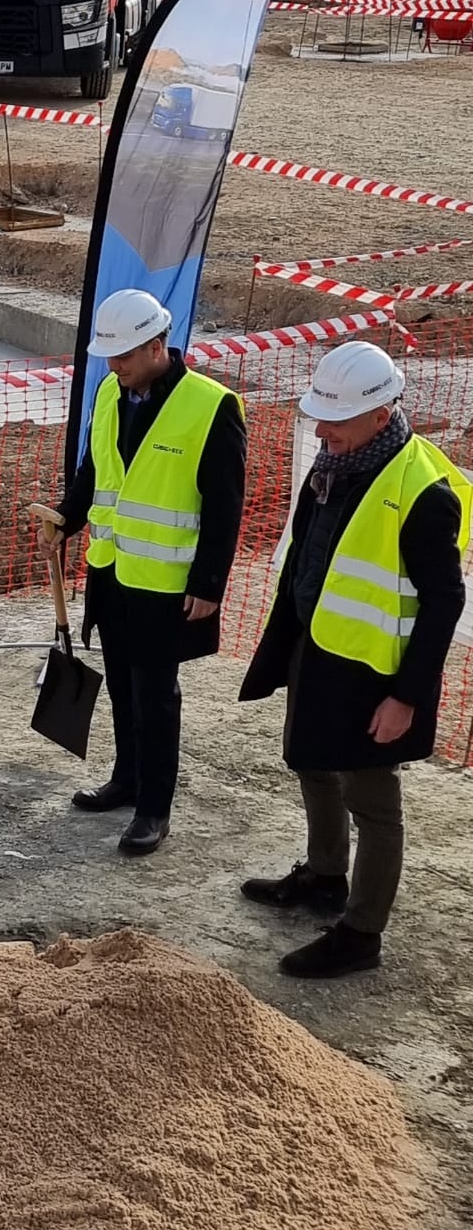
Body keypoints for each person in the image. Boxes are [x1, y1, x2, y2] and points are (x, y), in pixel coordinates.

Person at [237, 340, 467, 978]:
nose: (322, 429)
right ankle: (324, 876)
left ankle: (361, 934)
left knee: (372, 801)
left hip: (375, 675)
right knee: (312, 762)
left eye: (334, 419)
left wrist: (407, 696)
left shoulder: (422, 490)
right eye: (319, 416)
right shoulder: (334, 463)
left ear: (380, 412)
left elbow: (445, 600)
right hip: (320, 653)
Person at [37, 287, 246, 856]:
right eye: (109, 356)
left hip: (165, 586)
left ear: (158, 346)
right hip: (111, 573)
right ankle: (126, 780)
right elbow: (95, 470)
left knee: (156, 696)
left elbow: (226, 506)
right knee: (124, 689)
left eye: (124, 356)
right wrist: (66, 517)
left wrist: (209, 585)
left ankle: (154, 808)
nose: (114, 366)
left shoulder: (211, 407)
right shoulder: (110, 390)